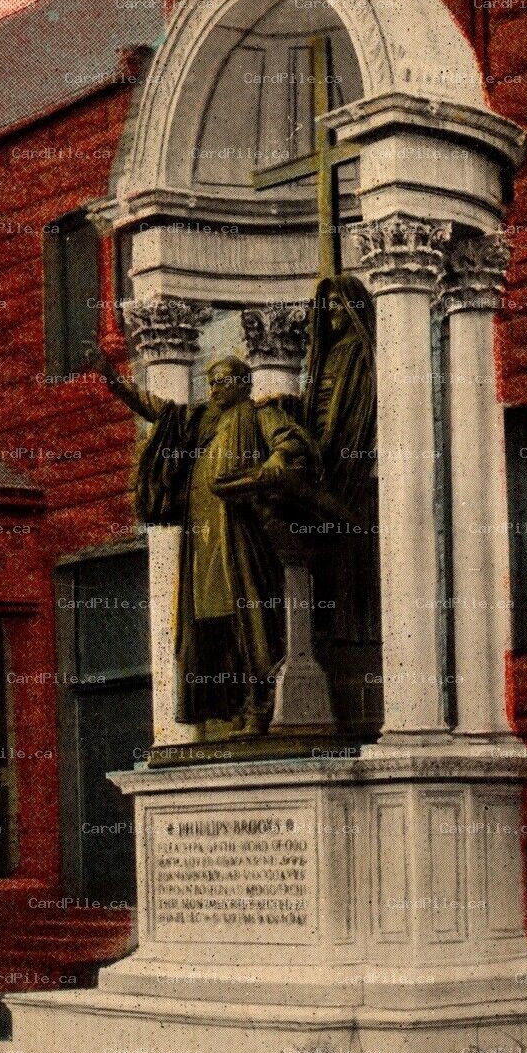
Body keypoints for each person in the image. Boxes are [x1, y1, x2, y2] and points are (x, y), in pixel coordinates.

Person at [95, 349, 315, 735]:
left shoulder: (262, 414)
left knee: (251, 624)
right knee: (213, 629)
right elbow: (157, 410)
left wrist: (264, 471)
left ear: (244, 384)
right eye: (211, 382)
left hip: (240, 536)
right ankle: (233, 708)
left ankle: (259, 708)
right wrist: (113, 379)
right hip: (202, 542)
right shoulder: (198, 421)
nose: (215, 388)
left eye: (223, 381)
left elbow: (291, 447)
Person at [301, 273, 382, 731]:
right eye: (326, 308)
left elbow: (347, 411)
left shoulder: (356, 354)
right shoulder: (326, 357)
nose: (332, 316)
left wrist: (328, 444)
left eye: (338, 307)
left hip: (348, 469)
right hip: (326, 464)